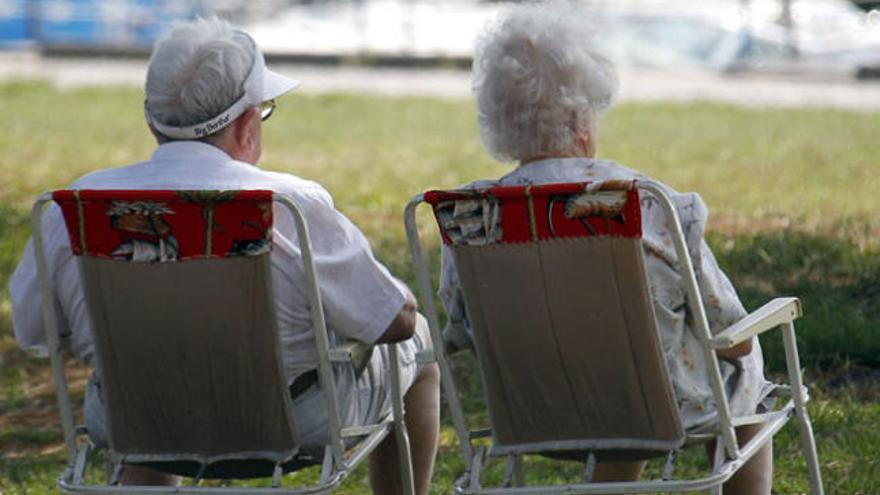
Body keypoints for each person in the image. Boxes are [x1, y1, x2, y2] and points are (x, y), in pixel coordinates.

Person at [8, 18, 439, 495]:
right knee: (417, 340)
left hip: (133, 421)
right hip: (288, 425)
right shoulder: (289, 206)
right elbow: (393, 324)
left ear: (152, 120)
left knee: (145, 381)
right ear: (248, 124)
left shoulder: (74, 207)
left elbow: (33, 329)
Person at [438, 4, 774, 493]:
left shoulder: (472, 216)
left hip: (535, 410)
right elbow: (732, 333)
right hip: (659, 406)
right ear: (580, 120)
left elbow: (462, 328)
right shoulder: (650, 205)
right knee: (743, 373)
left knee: (621, 382)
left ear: (500, 121)